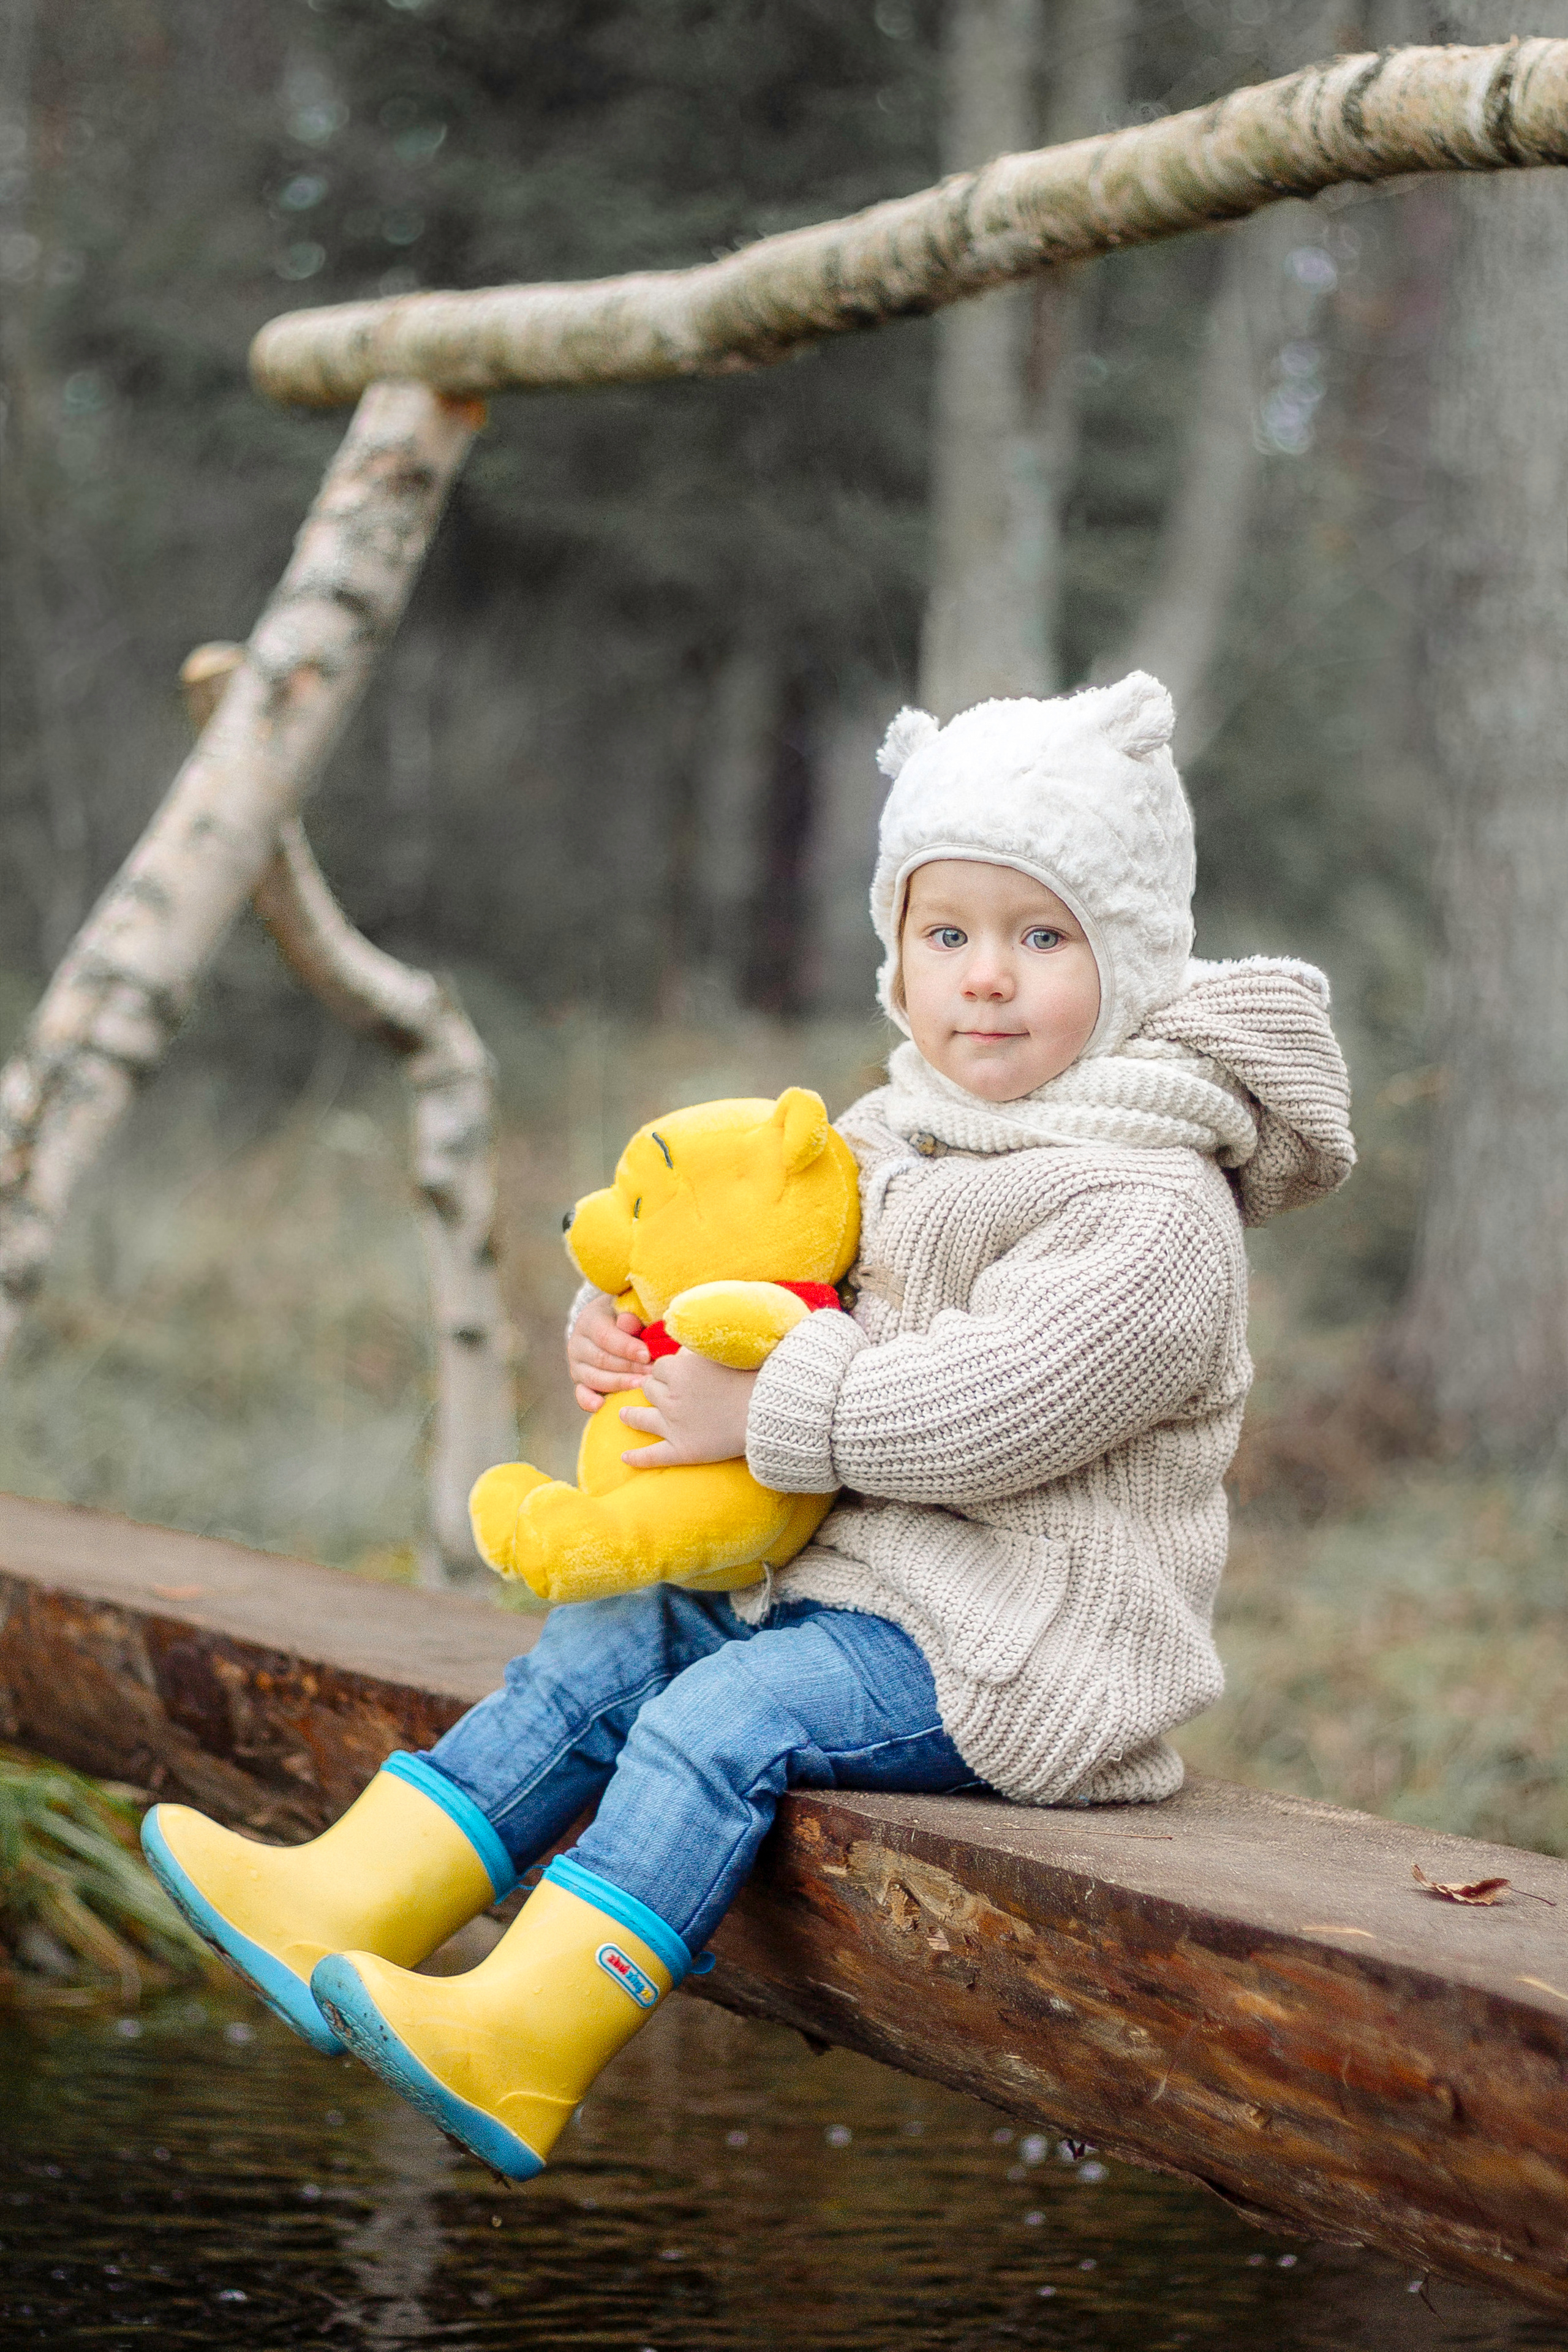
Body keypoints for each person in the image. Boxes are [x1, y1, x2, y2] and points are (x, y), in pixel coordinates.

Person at [143, 671, 1354, 2181]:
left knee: (723, 1719)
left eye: (1039, 938)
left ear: (1125, 957)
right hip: (850, 1589)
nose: (985, 977)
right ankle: (352, 1898)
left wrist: (762, 1401)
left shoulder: (1149, 1200)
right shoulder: (897, 1128)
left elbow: (990, 1413)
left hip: (1015, 1648)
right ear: (895, 957)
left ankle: (526, 2037)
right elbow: (759, 1293)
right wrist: (640, 1332)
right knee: (607, 1641)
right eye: (946, 934)